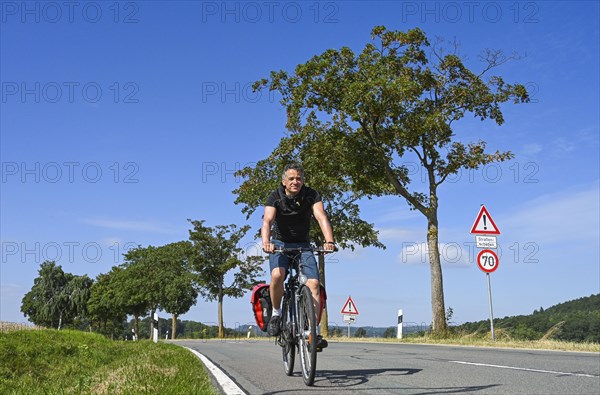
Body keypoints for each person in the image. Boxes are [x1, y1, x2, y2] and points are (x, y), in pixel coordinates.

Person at [261, 163, 336, 348]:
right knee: (278, 275)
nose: (296, 181)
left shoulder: (311, 195)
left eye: (299, 178)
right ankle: (277, 314)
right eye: (292, 178)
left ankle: (313, 333)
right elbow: (267, 220)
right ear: (284, 181)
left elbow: (321, 216)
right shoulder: (275, 196)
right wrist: (266, 242)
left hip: (303, 244)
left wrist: (329, 241)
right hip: (280, 244)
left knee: (314, 284)